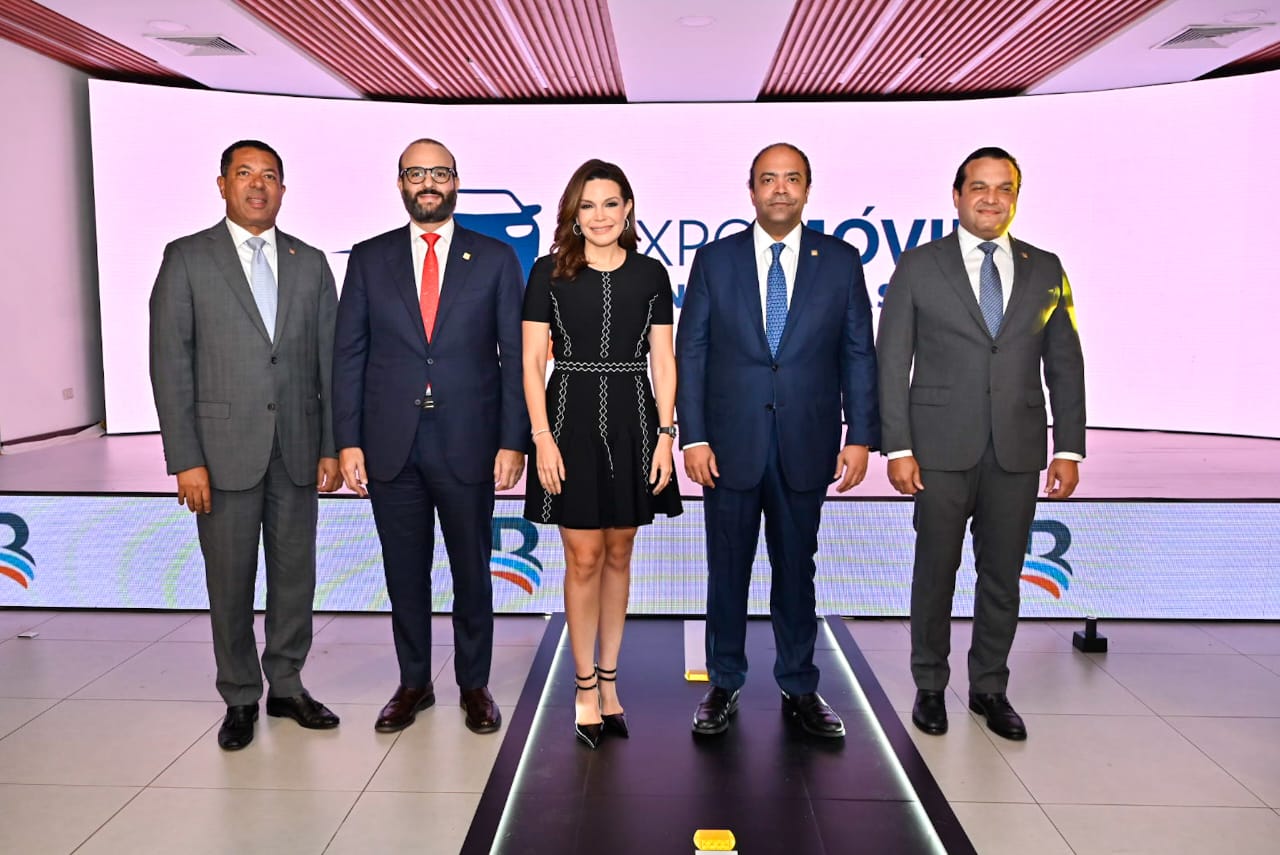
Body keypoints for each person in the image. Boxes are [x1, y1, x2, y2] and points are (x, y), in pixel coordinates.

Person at [876, 146, 1085, 742]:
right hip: (937, 450)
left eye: (1004, 188)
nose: (992, 199)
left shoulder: (1046, 267)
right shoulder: (919, 265)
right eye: (980, 187)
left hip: (1017, 450)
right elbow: (892, 360)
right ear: (957, 195)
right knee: (935, 572)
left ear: (1015, 197)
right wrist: (898, 447)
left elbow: (1065, 364)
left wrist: (1069, 448)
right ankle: (930, 685)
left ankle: (990, 686)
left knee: (1002, 575)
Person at [676, 143, 879, 738]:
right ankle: (724, 681)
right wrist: (694, 437)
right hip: (728, 446)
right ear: (752, 190)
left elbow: (857, 352)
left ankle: (799, 685)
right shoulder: (715, 260)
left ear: (808, 189)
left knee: (796, 569)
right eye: (769, 179)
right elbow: (693, 351)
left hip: (807, 443)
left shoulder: (840, 261)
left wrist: (860, 435)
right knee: (727, 569)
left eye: (792, 178)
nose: (781, 189)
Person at [149, 139, 342, 751]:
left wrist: (332, 445)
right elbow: (170, 364)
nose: (258, 185)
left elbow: (330, 364)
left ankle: (286, 685)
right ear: (222, 184)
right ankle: (238, 694)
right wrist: (186, 458)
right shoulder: (187, 258)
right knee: (229, 581)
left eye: (270, 176)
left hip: (298, 449)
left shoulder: (311, 262)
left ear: (283, 189)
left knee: (295, 577)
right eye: (245, 174)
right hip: (220, 453)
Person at [332, 138, 527, 735]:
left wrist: (513, 440)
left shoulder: (495, 258)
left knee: (472, 570)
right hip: (390, 444)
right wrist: (348, 440)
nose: (428, 183)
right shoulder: (369, 258)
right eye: (416, 173)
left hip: (469, 441)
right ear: (400, 184)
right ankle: (413, 682)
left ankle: (474, 684)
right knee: (404, 572)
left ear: (456, 181)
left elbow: (515, 357)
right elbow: (349, 354)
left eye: (439, 173)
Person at [522, 159, 682, 749]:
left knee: (620, 551)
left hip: (636, 419)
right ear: (573, 213)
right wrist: (541, 437)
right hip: (569, 418)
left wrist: (665, 434)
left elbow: (663, 360)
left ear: (628, 208)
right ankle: (584, 686)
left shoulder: (652, 274)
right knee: (583, 556)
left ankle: (610, 683)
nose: (599, 216)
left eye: (610, 203)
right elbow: (531, 361)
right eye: (587, 206)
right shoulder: (547, 273)